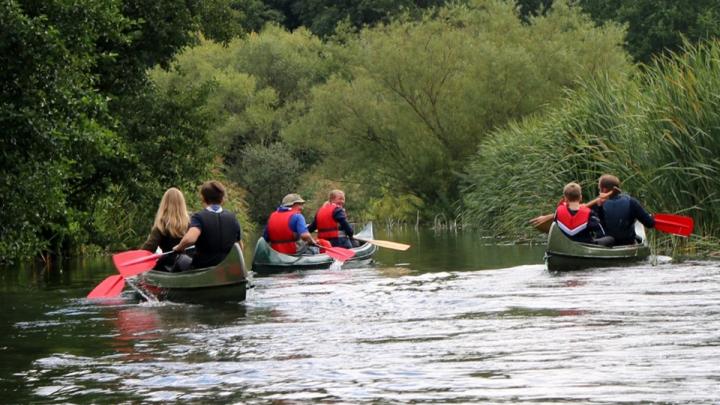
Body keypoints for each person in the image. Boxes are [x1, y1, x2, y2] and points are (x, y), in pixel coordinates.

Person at [172, 181, 243, 269]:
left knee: (181, 259)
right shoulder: (233, 218)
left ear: (203, 198)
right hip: (226, 268)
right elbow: (240, 247)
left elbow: (190, 239)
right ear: (222, 198)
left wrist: (179, 248)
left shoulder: (198, 217)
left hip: (203, 267)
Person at [591, 174, 654, 245]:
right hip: (626, 242)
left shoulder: (595, 203)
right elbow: (650, 224)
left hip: (604, 244)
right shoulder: (632, 202)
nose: (599, 192)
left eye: (599, 189)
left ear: (604, 189)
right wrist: (651, 217)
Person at [141, 187, 191, 271]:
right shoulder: (192, 221)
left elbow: (149, 248)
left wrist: (139, 255)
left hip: (168, 265)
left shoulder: (161, 224)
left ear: (164, 203)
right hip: (189, 262)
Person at [553, 182, 613, 246]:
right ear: (580, 197)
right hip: (585, 245)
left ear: (565, 198)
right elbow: (602, 233)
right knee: (610, 239)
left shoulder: (558, 211)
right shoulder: (589, 213)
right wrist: (600, 208)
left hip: (565, 244)